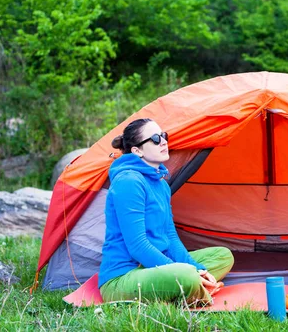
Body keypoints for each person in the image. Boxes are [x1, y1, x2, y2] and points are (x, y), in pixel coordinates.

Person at [98, 118, 234, 304]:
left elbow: (170, 236)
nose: (163, 141)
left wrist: (196, 268)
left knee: (223, 256)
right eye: (155, 138)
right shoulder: (128, 181)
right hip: (124, 277)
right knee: (186, 275)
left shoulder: (161, 184)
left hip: (156, 267)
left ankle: (187, 287)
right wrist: (181, 271)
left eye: (163, 136)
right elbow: (137, 246)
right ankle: (192, 289)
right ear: (137, 151)